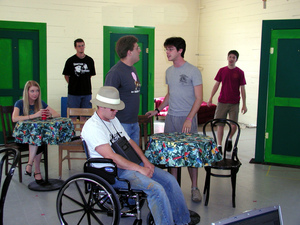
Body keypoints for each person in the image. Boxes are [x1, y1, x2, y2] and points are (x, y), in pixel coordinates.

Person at [81, 86, 191, 225]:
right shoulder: (93, 127)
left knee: (170, 180)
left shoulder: (112, 119)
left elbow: (130, 141)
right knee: (156, 189)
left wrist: (146, 162)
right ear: (101, 106)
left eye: (116, 108)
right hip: (112, 171)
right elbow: (112, 158)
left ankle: (183, 221)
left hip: (128, 163)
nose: (116, 111)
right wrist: (140, 169)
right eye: (112, 109)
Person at [145, 37, 203, 203]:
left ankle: (194, 188)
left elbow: (199, 98)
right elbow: (169, 95)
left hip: (188, 118)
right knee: (172, 155)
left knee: (191, 155)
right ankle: (174, 188)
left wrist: (189, 118)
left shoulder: (193, 71)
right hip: (171, 118)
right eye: (166, 49)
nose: (167, 53)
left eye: (170, 49)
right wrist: (157, 109)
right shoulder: (169, 72)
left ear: (180, 50)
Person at [12, 80, 60, 184]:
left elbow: (57, 114)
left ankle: (31, 166)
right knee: (38, 139)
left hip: (37, 138)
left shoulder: (41, 103)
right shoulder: (19, 103)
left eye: (37, 91)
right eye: (32, 91)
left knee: (39, 139)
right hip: (22, 137)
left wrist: (49, 115)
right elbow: (14, 118)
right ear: (27, 92)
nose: (35, 94)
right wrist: (35, 115)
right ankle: (35, 169)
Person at [207, 50, 247, 152]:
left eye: (233, 57)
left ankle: (229, 139)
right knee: (220, 124)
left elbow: (242, 88)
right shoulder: (222, 70)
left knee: (234, 125)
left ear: (236, 59)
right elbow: (216, 85)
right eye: (230, 57)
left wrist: (244, 104)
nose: (231, 59)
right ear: (227, 58)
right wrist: (210, 97)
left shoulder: (240, 72)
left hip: (234, 103)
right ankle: (219, 145)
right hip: (222, 102)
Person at [104, 35, 141, 145]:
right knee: (124, 159)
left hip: (134, 122)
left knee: (135, 158)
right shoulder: (115, 72)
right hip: (121, 123)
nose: (139, 50)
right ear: (129, 52)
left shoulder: (132, 69)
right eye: (137, 48)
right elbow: (107, 101)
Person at [62, 38, 96, 110]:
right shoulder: (70, 60)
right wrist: (72, 84)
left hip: (86, 92)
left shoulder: (90, 60)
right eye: (79, 46)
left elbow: (90, 75)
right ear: (75, 47)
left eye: (82, 45)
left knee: (85, 114)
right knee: (73, 114)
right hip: (73, 93)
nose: (81, 48)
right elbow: (66, 75)